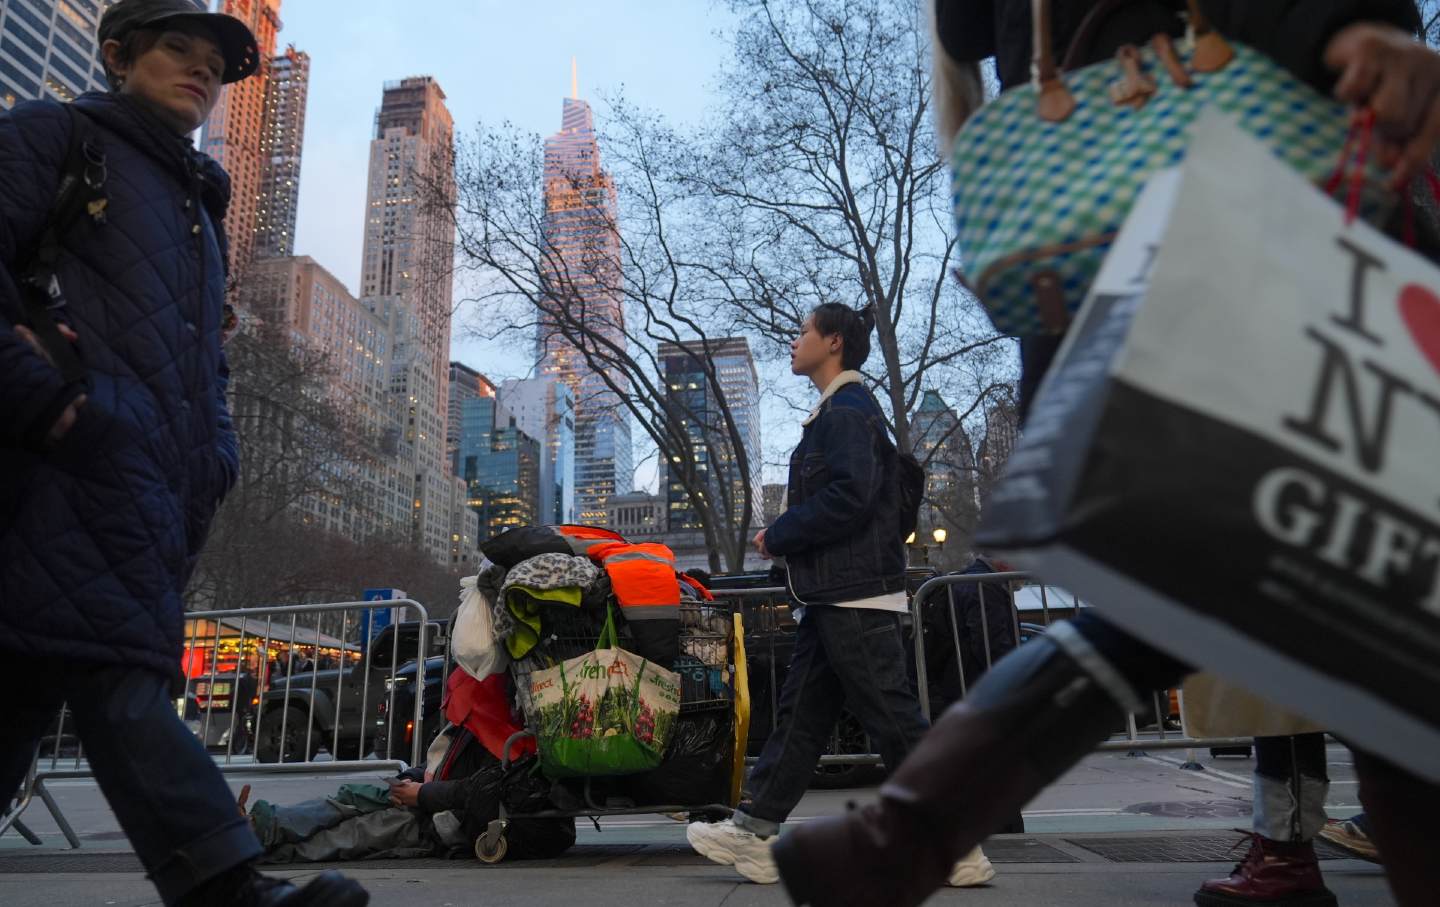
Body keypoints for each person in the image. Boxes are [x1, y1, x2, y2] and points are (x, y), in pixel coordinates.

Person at [771, 3, 1440, 907]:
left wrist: (1348, 28)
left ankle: (916, 830)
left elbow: (967, 30)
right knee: (1295, 598)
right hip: (1196, 238)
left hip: (1217, 234)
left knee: (1314, 599)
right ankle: (914, 831)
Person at [0, 2, 367, 904]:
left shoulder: (197, 201)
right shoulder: (57, 135)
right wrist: (48, 399)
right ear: (119, 55)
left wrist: (215, 456)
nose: (202, 70)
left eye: (216, 60)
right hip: (50, 470)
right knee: (119, 679)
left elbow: (204, 358)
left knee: (35, 682)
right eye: (177, 48)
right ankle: (227, 884)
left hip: (144, 483)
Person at [685, 303, 994, 887]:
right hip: (835, 594)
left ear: (833, 343)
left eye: (804, 331)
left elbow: (852, 495)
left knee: (893, 719)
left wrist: (781, 532)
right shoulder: (838, 411)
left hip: (854, 594)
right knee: (801, 717)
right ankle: (755, 833)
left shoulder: (848, 412)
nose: (795, 340)